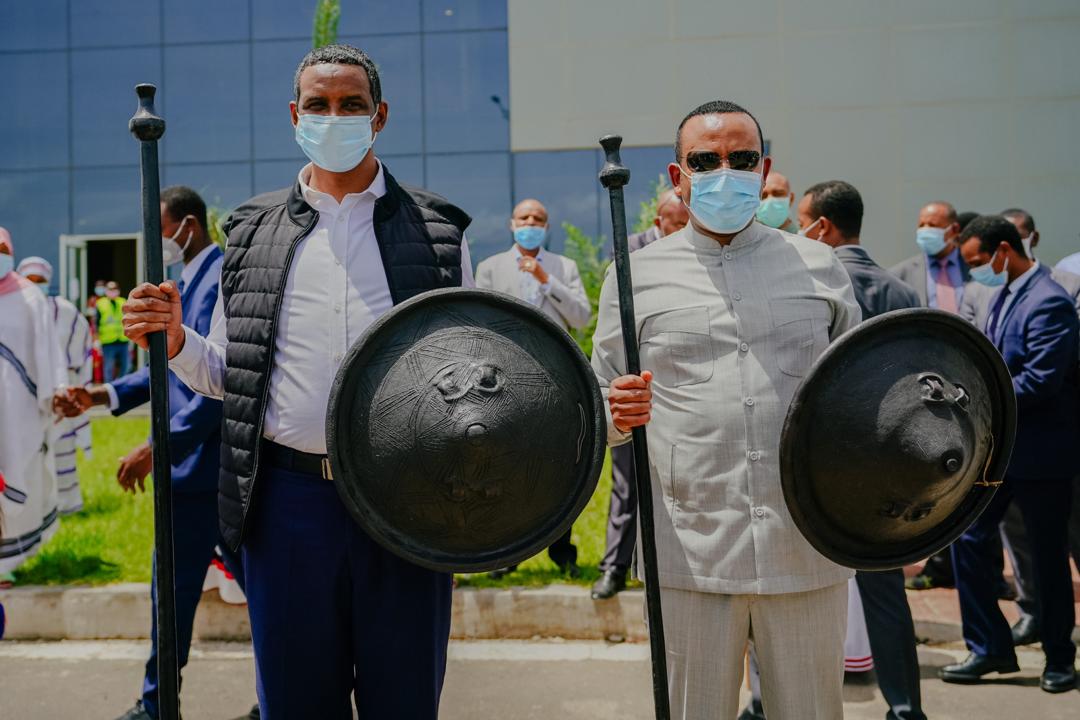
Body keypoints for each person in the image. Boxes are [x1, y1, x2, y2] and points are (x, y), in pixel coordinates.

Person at [120, 44, 474, 720]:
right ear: (294, 115)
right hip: (285, 508)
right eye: (319, 104)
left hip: (406, 503)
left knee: (404, 703)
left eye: (351, 104)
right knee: (294, 705)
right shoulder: (252, 232)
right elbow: (231, 374)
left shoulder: (438, 233)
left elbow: (468, 371)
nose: (334, 117)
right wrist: (175, 340)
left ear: (380, 116)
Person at [593, 100, 860, 718]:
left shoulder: (818, 267)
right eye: (705, 160)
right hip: (690, 556)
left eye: (741, 159)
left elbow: (860, 398)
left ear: (764, 169)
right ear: (677, 175)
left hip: (805, 548)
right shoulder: (633, 277)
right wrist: (617, 410)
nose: (725, 173)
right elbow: (598, 402)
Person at [52, 187, 251, 720]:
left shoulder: (222, 275)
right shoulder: (185, 280)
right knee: (175, 597)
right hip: (191, 476)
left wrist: (157, 446)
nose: (157, 241)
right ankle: (159, 704)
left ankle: (279, 698)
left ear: (189, 225)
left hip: (220, 468)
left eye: (160, 229)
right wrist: (100, 395)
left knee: (268, 595)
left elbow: (218, 379)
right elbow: (166, 365)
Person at [794, 180, 927, 720]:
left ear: (821, 226)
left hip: (824, 462)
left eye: (801, 220)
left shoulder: (811, 283)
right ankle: (905, 706)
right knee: (884, 589)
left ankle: (778, 701)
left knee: (799, 593)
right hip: (888, 465)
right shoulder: (902, 291)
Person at [942, 215, 1078, 694]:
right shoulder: (1002, 293)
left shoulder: (1049, 300)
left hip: (1043, 455)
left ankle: (1059, 658)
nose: (975, 271)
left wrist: (979, 399)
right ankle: (989, 647)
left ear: (1005, 250)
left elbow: (1041, 380)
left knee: (1047, 558)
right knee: (969, 540)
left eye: (979, 261)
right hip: (999, 452)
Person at [475, 198, 591, 579]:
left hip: (554, 376)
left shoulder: (563, 267)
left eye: (538, 219)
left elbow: (581, 317)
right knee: (507, 463)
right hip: (504, 379)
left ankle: (562, 551)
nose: (530, 223)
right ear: (512, 224)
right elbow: (481, 322)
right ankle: (510, 551)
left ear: (547, 227)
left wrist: (545, 279)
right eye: (524, 218)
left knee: (558, 464)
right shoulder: (489, 268)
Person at [594, 187, 689, 600]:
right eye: (676, 224)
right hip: (634, 390)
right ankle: (614, 567)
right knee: (627, 481)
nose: (683, 230)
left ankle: (666, 564)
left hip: (681, 391)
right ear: (658, 222)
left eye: (687, 224)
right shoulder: (628, 255)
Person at [0, 228, 66, 582]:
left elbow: (48, 351)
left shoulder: (29, 297)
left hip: (17, 411)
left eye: (2, 248)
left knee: (17, 468)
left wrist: (55, 392)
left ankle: (6, 565)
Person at [17, 256, 93, 515]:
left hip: (62, 390)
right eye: (29, 280)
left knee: (61, 447)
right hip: (24, 393)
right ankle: (31, 506)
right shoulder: (11, 309)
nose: (34, 285)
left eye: (40, 280)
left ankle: (66, 504)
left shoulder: (67, 312)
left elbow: (82, 351)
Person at [890, 201, 970, 312]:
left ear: (954, 229)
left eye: (932, 225)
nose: (925, 230)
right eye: (921, 225)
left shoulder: (975, 267)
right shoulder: (899, 275)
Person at [97, 280, 130, 382]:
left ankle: (121, 384)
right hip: (108, 341)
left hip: (123, 339)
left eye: (115, 289)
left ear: (118, 290)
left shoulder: (123, 302)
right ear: (106, 290)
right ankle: (109, 386)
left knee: (126, 365)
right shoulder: (100, 303)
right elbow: (96, 323)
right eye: (110, 289)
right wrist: (96, 339)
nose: (112, 291)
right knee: (108, 367)